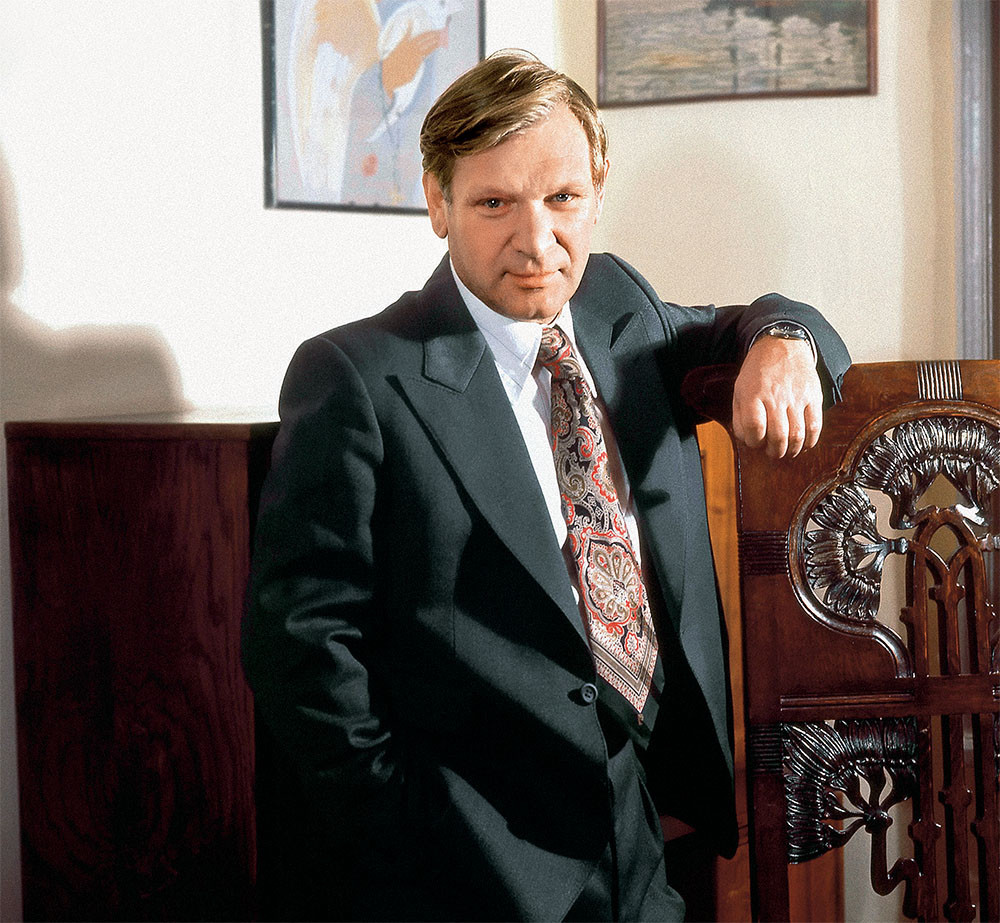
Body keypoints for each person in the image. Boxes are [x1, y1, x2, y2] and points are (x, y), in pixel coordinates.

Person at [243, 49, 851, 922]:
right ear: (438, 202)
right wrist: (408, 834)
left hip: (653, 835)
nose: (536, 241)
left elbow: (745, 325)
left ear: (597, 192)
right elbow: (301, 648)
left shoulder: (621, 308)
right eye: (495, 203)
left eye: (562, 198)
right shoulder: (357, 378)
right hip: (469, 864)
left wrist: (786, 339)